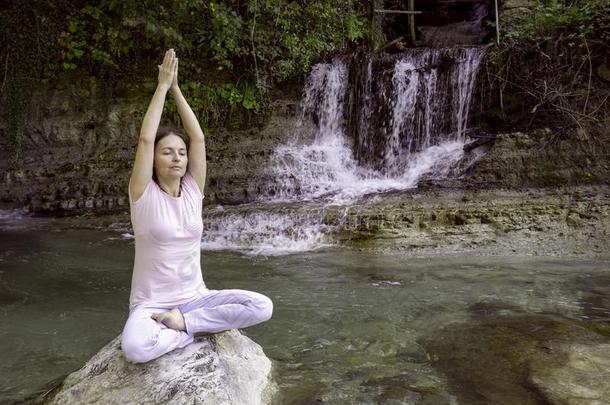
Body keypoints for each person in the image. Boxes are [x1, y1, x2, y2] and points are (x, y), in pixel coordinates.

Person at [120, 49, 273, 364]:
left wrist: (177, 88)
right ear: (154, 161)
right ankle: (189, 330)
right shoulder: (142, 195)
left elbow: (199, 138)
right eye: (167, 152)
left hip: (195, 299)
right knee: (134, 349)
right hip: (152, 306)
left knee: (262, 306)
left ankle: (186, 326)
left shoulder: (192, 190)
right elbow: (145, 140)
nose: (177, 157)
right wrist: (162, 87)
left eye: (180, 152)